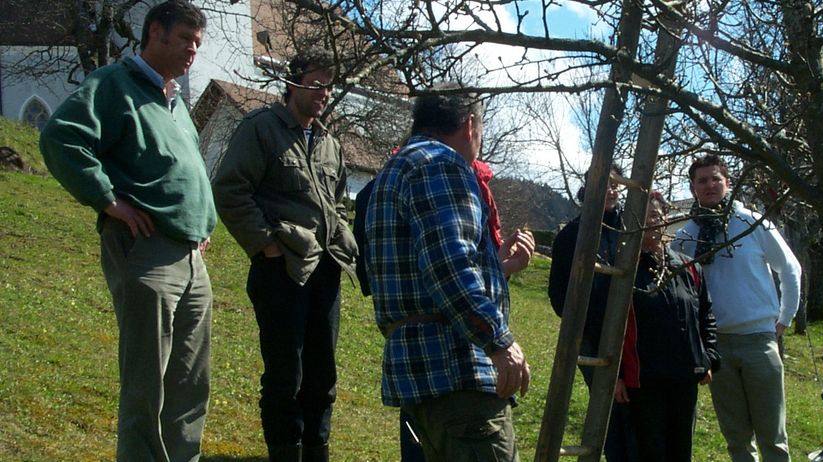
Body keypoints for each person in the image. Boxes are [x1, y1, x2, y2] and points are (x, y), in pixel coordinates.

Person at [38, 2, 214, 460]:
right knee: (146, 384)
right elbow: (61, 136)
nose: (193, 50)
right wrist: (106, 199)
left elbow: (183, 170)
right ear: (155, 32)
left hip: (192, 258)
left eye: (198, 42)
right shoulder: (114, 84)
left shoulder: (173, 101)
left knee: (190, 384)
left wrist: (200, 222)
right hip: (147, 251)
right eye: (185, 39)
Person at [365, 87, 532, 462]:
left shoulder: (394, 171)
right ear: (470, 125)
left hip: (420, 375)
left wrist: (494, 267)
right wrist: (499, 341)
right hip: (456, 370)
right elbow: (448, 267)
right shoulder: (442, 164)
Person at [211, 49, 357, 461]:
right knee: (284, 377)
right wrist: (267, 245)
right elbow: (229, 190)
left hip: (324, 272)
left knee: (322, 375)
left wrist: (341, 236)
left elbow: (339, 201)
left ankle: (316, 451)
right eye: (316, 83)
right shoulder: (261, 129)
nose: (324, 92)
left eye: (329, 84)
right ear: (292, 83)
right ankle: (284, 452)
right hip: (281, 272)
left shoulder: (330, 143)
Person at [671, 154, 801, 462]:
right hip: (717, 347)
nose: (710, 186)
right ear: (693, 188)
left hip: (759, 340)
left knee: (773, 436)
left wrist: (785, 317)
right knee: (736, 438)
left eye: (716, 179)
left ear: (728, 183)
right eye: (702, 181)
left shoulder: (753, 223)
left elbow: (790, 268)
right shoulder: (685, 237)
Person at [614, 192, 721, 462]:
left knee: (681, 450)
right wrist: (615, 376)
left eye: (659, 215)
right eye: (647, 216)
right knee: (651, 453)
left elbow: (705, 313)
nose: (655, 221)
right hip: (644, 380)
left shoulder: (686, 266)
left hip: (685, 377)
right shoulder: (622, 270)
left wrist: (708, 358)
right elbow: (606, 327)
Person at [547, 166, 638, 461]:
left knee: (639, 408)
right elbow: (558, 294)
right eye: (604, 184)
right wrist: (585, 324)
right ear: (588, 188)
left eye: (616, 185)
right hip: (592, 337)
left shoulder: (631, 227)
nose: (610, 190)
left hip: (635, 333)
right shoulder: (571, 235)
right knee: (608, 407)